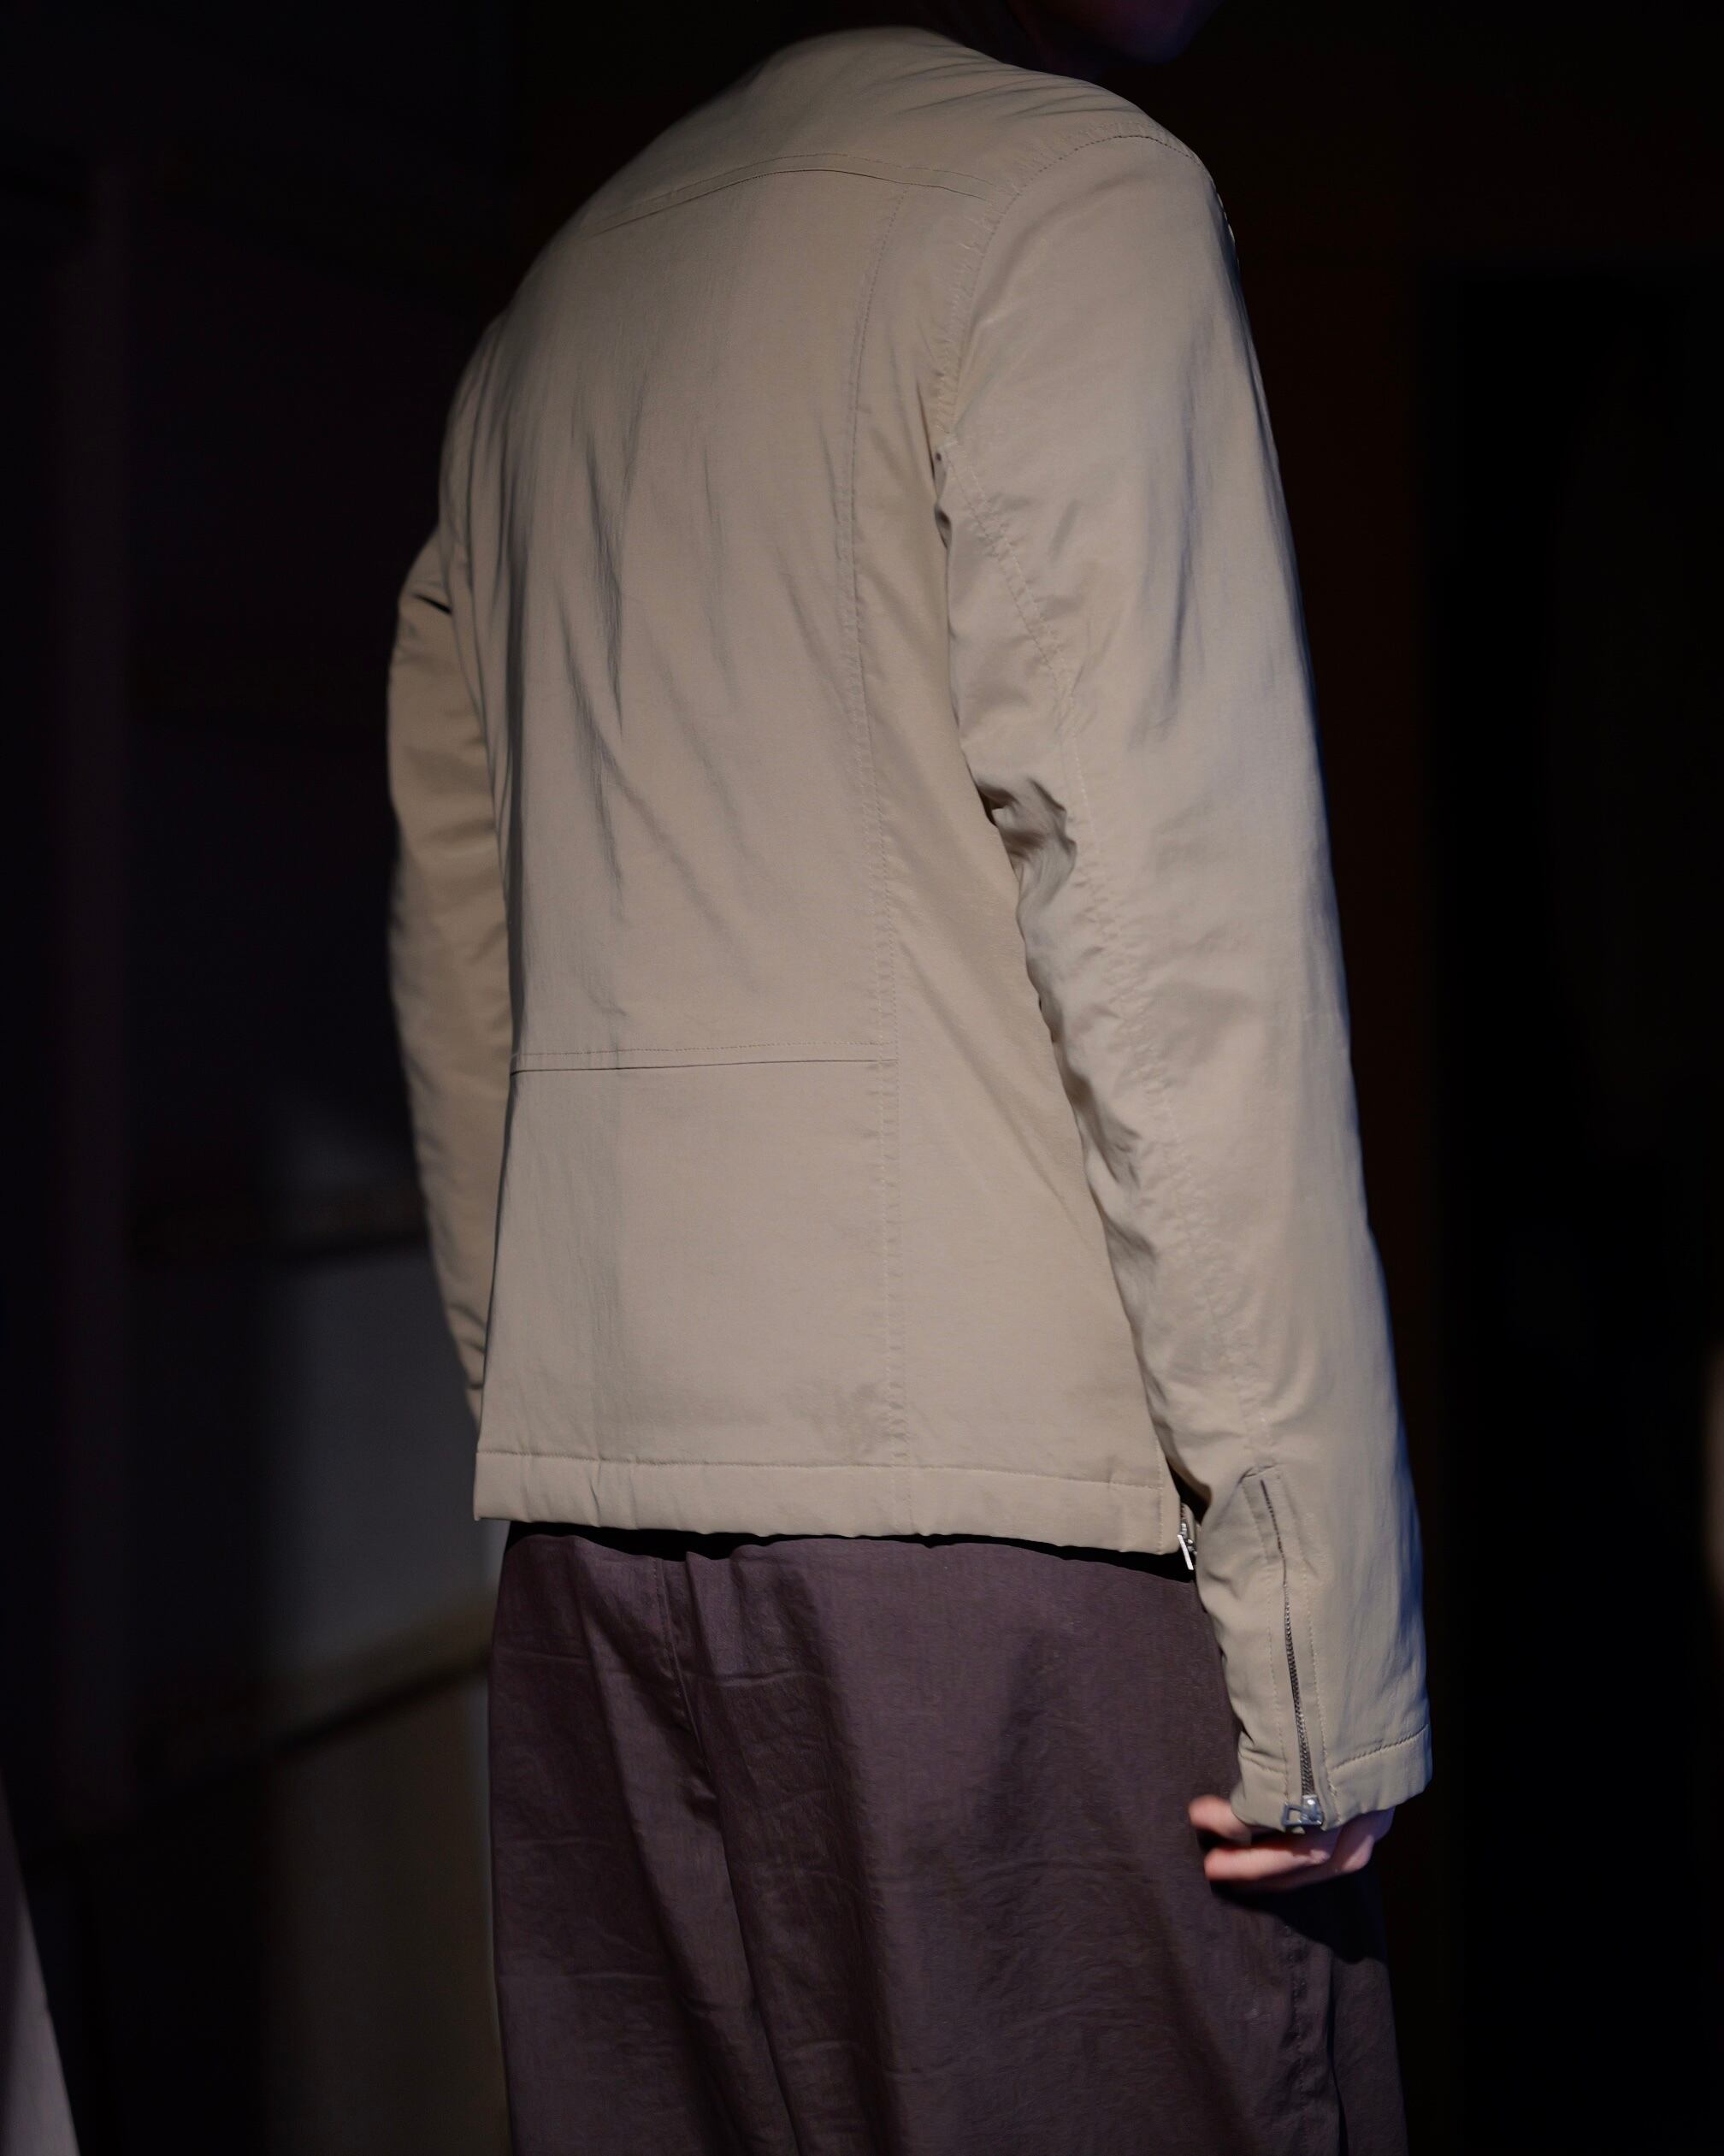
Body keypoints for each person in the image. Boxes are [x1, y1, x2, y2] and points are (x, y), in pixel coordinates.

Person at [385, 2, 1432, 2147]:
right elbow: (1173, 940)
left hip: (601, 1563)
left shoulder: (558, 310)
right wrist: (1325, 1638)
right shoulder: (1072, 205)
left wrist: (563, 1409)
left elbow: (459, 939)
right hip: (1008, 1562)